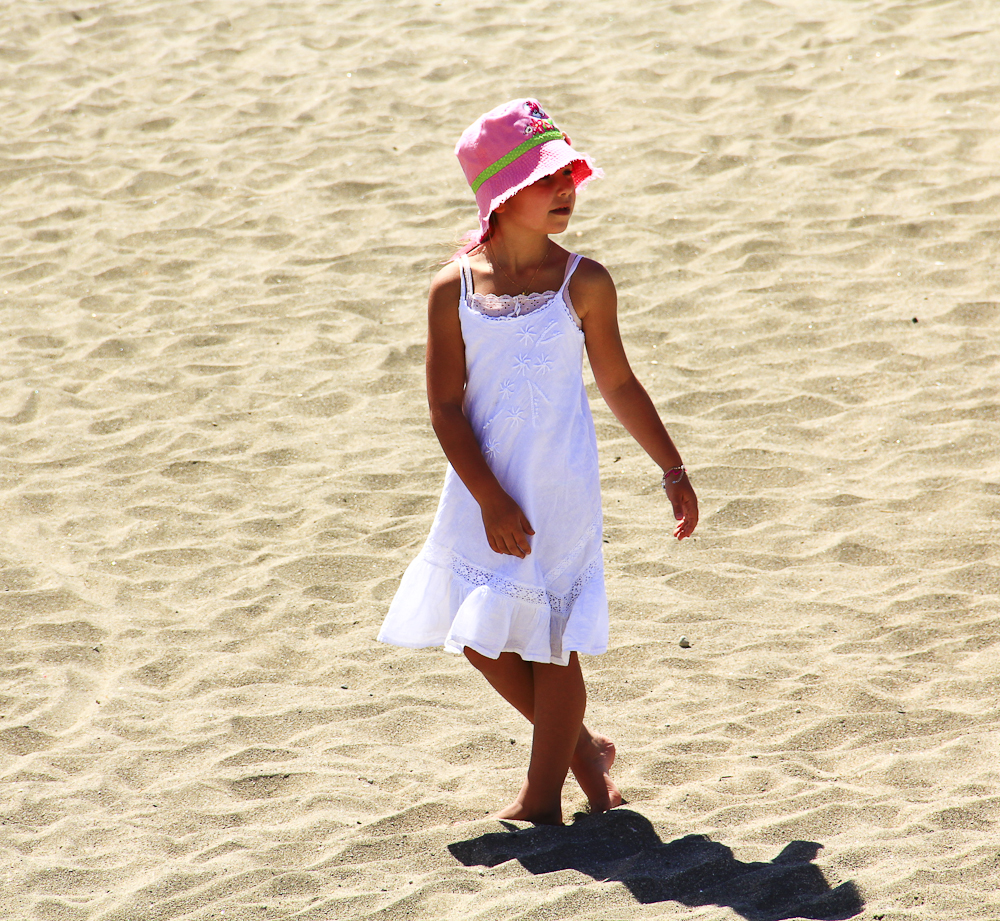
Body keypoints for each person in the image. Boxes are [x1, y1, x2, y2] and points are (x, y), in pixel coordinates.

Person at [378, 99, 698, 825]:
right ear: (497, 194)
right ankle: (585, 753)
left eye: (569, 174)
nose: (565, 189)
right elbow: (446, 408)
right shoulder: (451, 289)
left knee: (553, 641)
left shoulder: (585, 281)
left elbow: (617, 381)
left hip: (559, 487)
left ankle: (544, 795)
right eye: (545, 176)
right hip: (480, 489)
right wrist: (489, 496)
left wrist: (672, 470)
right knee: (478, 634)